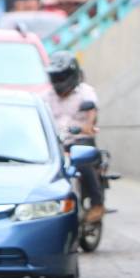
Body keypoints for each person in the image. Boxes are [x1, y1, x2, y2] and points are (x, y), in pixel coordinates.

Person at [43, 51, 105, 223]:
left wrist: (88, 126)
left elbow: (92, 112)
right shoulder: (47, 97)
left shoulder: (86, 92)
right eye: (55, 76)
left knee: (83, 160)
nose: (59, 80)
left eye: (62, 75)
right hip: (55, 143)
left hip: (79, 140)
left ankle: (97, 204)